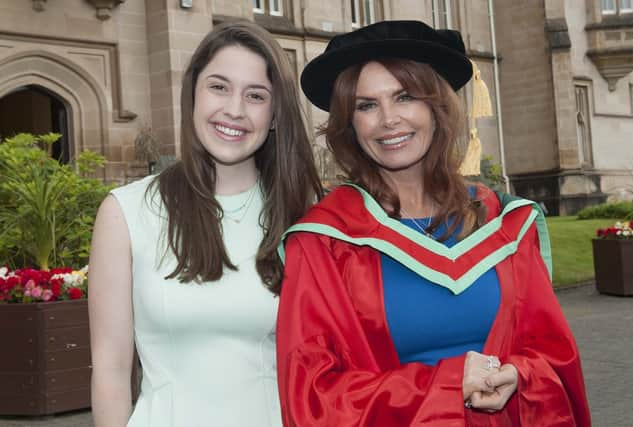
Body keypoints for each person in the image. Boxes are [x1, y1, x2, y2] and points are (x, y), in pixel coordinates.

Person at [276, 20, 590, 426]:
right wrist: (447, 384)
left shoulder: (505, 225)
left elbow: (553, 355)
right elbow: (312, 399)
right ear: (350, 125)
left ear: (436, 106)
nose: (388, 119)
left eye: (405, 96)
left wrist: (523, 375)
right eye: (366, 105)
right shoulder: (327, 242)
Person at [88, 21, 322, 427]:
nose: (234, 109)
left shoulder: (306, 215)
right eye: (219, 87)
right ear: (193, 94)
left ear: (274, 116)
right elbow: (110, 371)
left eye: (255, 96)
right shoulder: (125, 212)